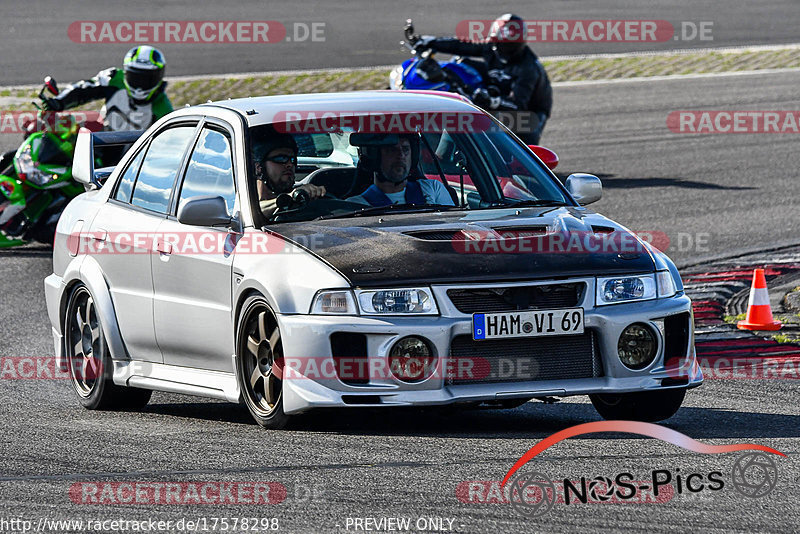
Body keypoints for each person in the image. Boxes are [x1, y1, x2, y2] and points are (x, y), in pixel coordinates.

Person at [420, 14, 552, 144]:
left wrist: (493, 101)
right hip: (500, 88)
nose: (502, 49)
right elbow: (463, 45)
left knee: (524, 138)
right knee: (461, 62)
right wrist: (431, 43)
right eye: (500, 44)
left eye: (509, 45)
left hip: (529, 110)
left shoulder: (528, 69)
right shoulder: (492, 47)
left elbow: (518, 105)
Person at [41, 45, 173, 132]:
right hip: (102, 135)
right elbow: (83, 90)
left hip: (130, 159)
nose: (140, 85)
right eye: (136, 77)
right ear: (126, 73)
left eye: (146, 79)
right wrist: (59, 102)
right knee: (65, 131)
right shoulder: (114, 78)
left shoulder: (164, 109)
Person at [347, 134, 455, 207]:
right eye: (391, 150)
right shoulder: (355, 206)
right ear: (373, 157)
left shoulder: (433, 189)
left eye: (405, 149)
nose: (401, 156)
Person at [254, 130, 326, 217]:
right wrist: (290, 197)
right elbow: (252, 213)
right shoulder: (240, 200)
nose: (290, 164)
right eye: (281, 159)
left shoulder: (301, 194)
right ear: (259, 167)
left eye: (292, 160)